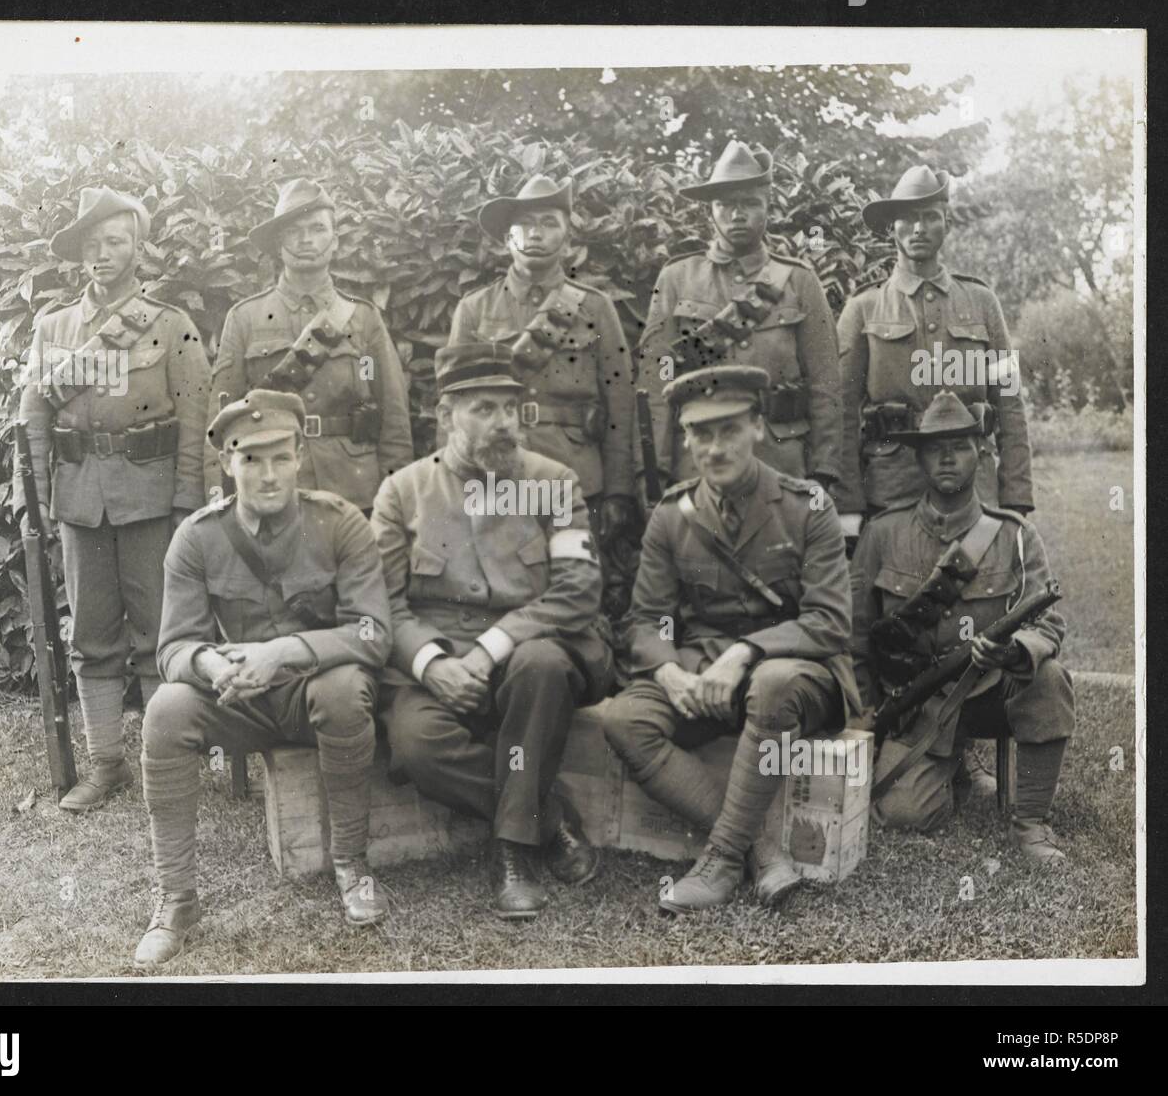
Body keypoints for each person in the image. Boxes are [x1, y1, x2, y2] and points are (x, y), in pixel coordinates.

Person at [135, 390, 394, 967]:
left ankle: (352, 866)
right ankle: (176, 898)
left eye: (280, 457)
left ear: (301, 454)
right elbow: (172, 647)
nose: (267, 474)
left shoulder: (340, 523)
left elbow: (374, 634)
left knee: (346, 688)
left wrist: (282, 652)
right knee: (166, 710)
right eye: (250, 459)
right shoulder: (198, 537)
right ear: (228, 463)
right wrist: (208, 664)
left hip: (312, 694)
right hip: (240, 701)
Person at [602, 364, 860, 912]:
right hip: (704, 671)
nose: (714, 448)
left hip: (797, 674)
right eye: (700, 433)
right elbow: (645, 620)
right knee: (623, 718)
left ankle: (720, 860)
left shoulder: (807, 506)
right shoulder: (672, 516)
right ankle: (760, 849)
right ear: (687, 439)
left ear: (759, 428)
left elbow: (830, 622)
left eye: (729, 430)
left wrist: (746, 652)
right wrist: (670, 671)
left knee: (769, 683)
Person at [371, 342, 614, 919]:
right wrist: (432, 664)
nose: (503, 423)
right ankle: (549, 820)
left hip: (539, 650)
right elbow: (379, 604)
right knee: (416, 745)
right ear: (445, 413)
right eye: (484, 409)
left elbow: (578, 591)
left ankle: (513, 853)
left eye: (510, 407)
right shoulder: (402, 491)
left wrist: (491, 647)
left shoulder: (554, 481)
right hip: (440, 661)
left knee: (542, 664)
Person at [11, 185, 210, 812]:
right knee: (91, 634)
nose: (103, 254)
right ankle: (106, 765)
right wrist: (31, 502)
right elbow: (32, 420)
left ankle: (164, 763)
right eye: (92, 245)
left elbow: (196, 417)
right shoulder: (53, 328)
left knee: (159, 633)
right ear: (79, 255)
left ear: (137, 248)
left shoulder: (171, 326)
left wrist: (186, 505)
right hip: (79, 503)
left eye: (115, 242)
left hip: (151, 500)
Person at [850, 390, 1072, 859]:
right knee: (906, 814)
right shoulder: (883, 534)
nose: (946, 457)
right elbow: (856, 633)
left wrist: (1014, 653)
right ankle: (950, 767)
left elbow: (1048, 624)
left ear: (981, 453)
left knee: (1048, 676)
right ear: (919, 458)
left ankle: (1030, 822)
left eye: (959, 445)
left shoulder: (1014, 534)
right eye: (934, 448)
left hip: (988, 690)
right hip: (920, 703)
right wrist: (865, 711)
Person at [836, 164, 1034, 547]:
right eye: (908, 218)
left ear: (946, 223)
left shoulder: (982, 302)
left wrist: (1016, 498)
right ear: (891, 227)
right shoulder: (863, 308)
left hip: (974, 487)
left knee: (982, 596)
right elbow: (841, 413)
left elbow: (1009, 403)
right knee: (894, 597)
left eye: (930, 217)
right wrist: (848, 504)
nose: (919, 228)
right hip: (892, 485)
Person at [635, 140, 842, 500]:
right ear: (710, 212)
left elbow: (826, 387)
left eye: (749, 203)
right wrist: (655, 472)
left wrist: (824, 473)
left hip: (780, 462)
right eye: (726, 204)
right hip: (697, 462)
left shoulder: (799, 281)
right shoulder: (676, 279)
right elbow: (657, 381)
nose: (737, 214)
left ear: (767, 208)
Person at [205, 178, 413, 513]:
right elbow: (220, 422)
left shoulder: (362, 319)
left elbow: (393, 421)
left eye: (317, 229)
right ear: (278, 243)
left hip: (353, 489)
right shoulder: (244, 318)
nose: (305, 240)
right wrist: (218, 500)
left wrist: (395, 505)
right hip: (272, 488)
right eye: (294, 231)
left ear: (335, 242)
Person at [447, 174, 636, 544]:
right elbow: (454, 403)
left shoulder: (596, 308)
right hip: (495, 473)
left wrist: (618, 490)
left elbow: (620, 405)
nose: (536, 234)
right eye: (525, 225)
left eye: (550, 224)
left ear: (567, 241)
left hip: (576, 474)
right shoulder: (474, 308)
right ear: (507, 240)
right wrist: (454, 481)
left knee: (575, 580)